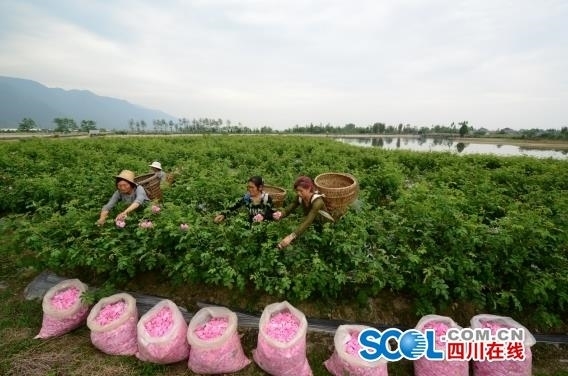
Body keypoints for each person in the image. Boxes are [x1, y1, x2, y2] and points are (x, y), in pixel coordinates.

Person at [273, 176, 334, 249]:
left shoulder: (317, 201)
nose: (298, 193)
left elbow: (308, 221)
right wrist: (281, 214)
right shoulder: (300, 197)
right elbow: (290, 208)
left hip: (325, 225)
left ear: (308, 189)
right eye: (297, 191)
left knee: (320, 245)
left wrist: (291, 237)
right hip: (313, 224)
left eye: (301, 191)